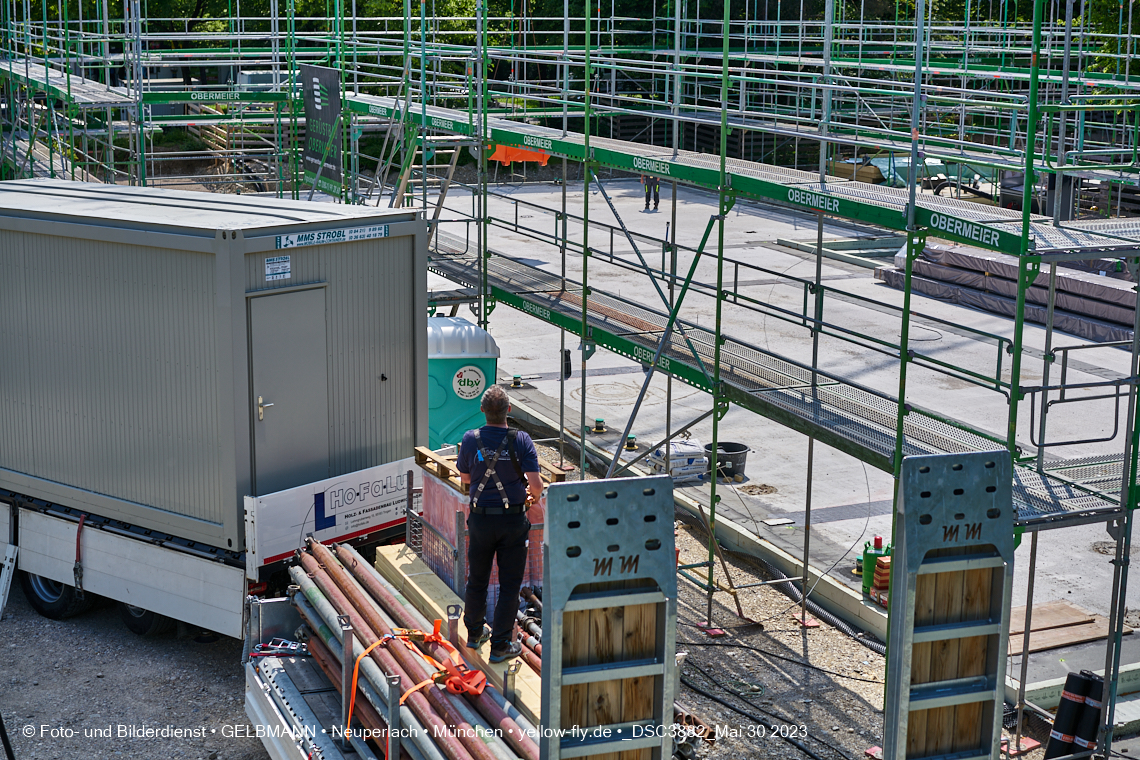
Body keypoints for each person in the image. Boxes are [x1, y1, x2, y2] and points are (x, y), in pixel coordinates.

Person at [456, 385, 543, 662]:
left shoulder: (471, 439)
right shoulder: (521, 440)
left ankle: (474, 633)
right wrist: (531, 496)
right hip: (512, 521)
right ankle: (502, 644)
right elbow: (536, 485)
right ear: (509, 410)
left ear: (482, 410)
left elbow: (467, 479)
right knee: (509, 584)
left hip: (480, 519)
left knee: (477, 579)